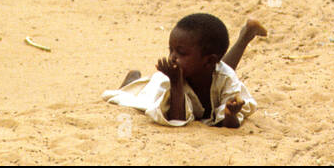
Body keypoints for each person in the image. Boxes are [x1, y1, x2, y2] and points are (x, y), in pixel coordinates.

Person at [103, 14, 266, 127]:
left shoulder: (226, 77)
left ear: (210, 60)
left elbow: (230, 126)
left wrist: (230, 115)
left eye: (181, 53)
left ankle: (245, 35)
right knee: (133, 97)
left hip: (214, 73)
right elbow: (176, 120)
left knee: (220, 73)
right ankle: (132, 81)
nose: (172, 57)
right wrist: (176, 82)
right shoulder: (169, 78)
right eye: (170, 50)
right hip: (165, 86)